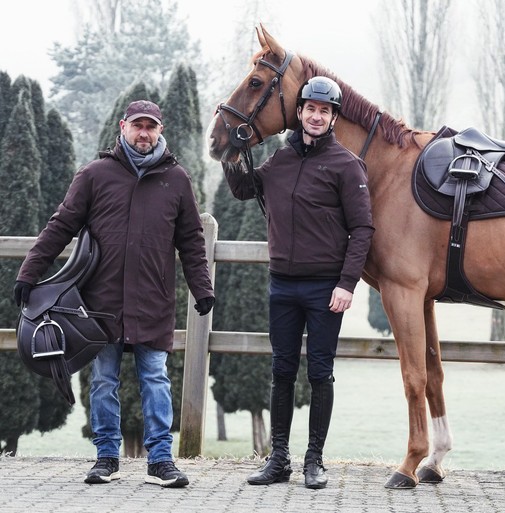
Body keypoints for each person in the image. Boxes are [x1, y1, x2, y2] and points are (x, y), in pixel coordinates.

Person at [14, 100, 215, 488]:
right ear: (123, 127)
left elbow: (191, 240)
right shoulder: (94, 175)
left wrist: (201, 287)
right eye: (137, 126)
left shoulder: (177, 180)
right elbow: (61, 225)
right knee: (104, 379)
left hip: (153, 300)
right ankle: (106, 457)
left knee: (155, 378)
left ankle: (160, 460)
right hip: (99, 304)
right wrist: (29, 272)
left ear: (160, 130)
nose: (144, 133)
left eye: (151, 127)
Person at [223, 76, 374, 489]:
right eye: (311, 108)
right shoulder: (280, 160)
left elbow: (362, 229)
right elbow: (245, 189)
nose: (316, 116)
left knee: (320, 373)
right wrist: (234, 154)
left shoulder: (347, 165)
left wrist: (346, 284)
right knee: (282, 372)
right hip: (282, 285)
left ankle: (314, 460)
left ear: (332, 117)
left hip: (326, 288)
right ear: (301, 112)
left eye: (325, 111)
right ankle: (279, 460)